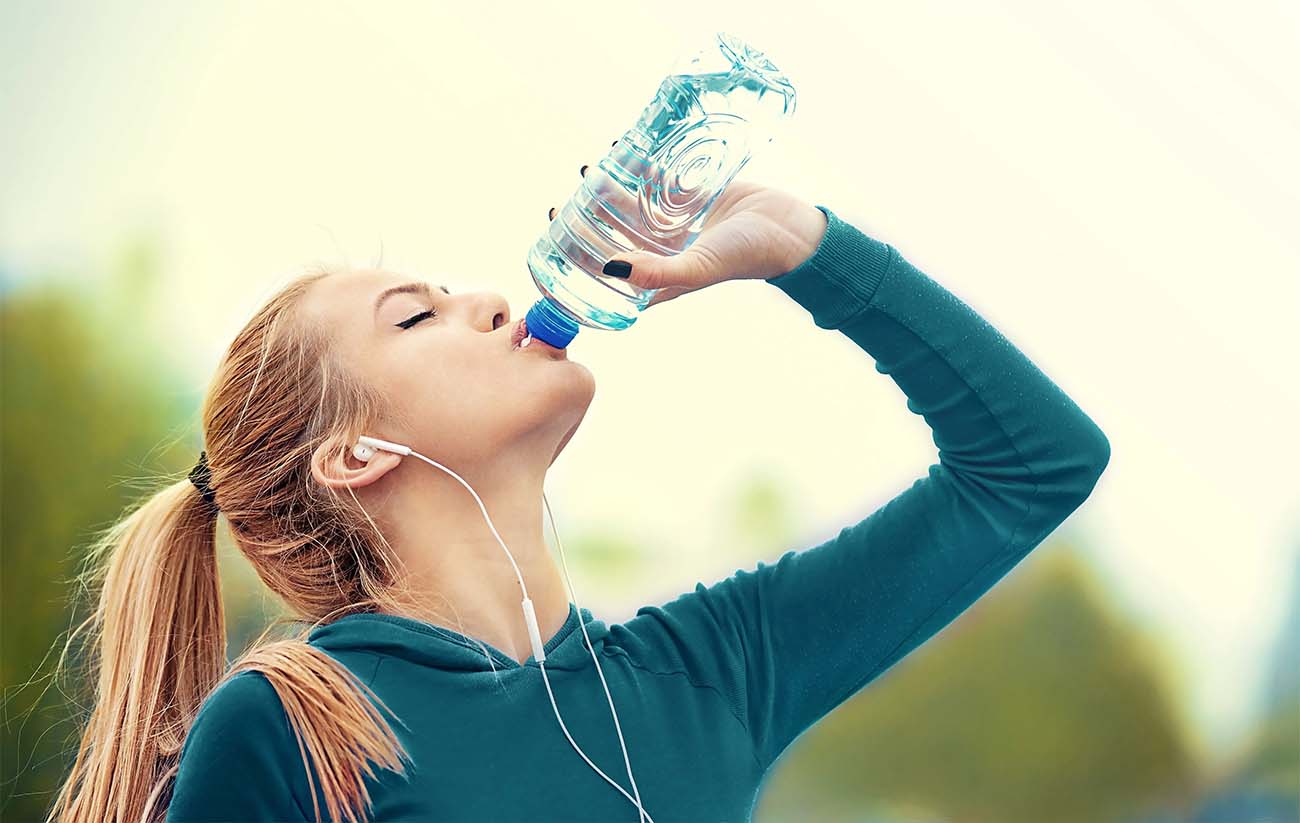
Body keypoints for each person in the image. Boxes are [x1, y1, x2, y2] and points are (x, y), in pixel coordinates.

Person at [46, 158, 1110, 823]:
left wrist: (800, 248)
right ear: (354, 454)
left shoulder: (708, 671)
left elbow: (1033, 464)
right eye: (417, 316)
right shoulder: (293, 728)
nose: (491, 300)